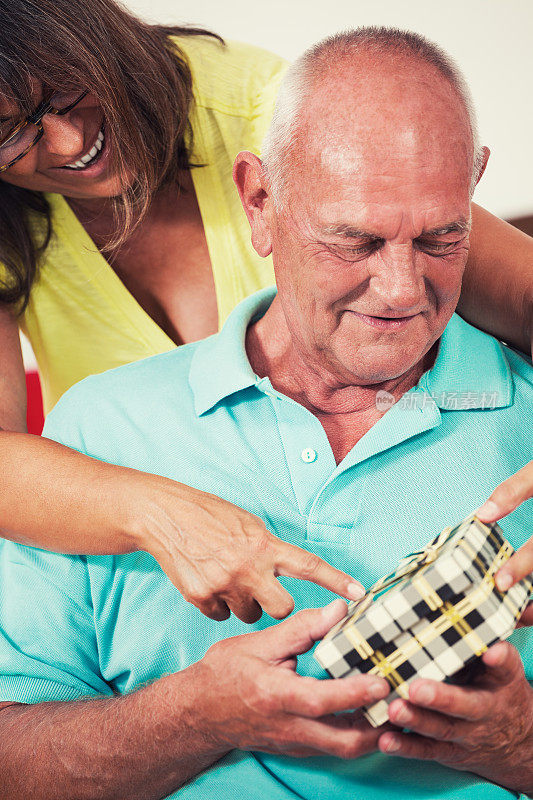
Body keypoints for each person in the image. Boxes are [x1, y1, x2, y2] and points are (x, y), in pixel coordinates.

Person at [0, 26, 532, 800]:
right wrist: (195, 717)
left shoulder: (517, 415)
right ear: (261, 203)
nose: (398, 289)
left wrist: (517, 743)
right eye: (353, 241)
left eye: (440, 236)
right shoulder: (96, 436)